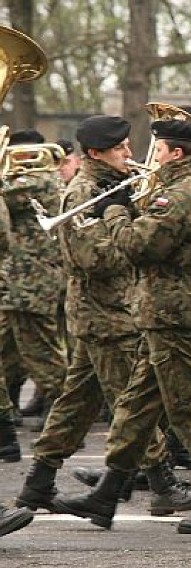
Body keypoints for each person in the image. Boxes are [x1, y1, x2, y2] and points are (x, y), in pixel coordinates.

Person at [16, 115, 191, 515]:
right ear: (96, 153)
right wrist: (131, 232)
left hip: (113, 311)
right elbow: (92, 258)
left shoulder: (110, 186)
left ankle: (37, 484)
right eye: (120, 148)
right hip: (105, 315)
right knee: (134, 404)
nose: (129, 153)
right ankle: (161, 483)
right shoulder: (84, 192)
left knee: (76, 405)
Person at [51, 119, 191, 532]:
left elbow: (137, 247)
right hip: (171, 309)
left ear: (176, 153)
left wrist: (115, 211)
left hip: (173, 310)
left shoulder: (184, 192)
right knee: (135, 408)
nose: (147, 158)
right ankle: (107, 493)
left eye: (159, 150)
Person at [0, 129, 67, 434]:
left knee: (41, 352)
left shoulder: (39, 179)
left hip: (32, 282)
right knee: (10, 352)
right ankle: (9, 409)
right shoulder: (29, 179)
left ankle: (65, 419)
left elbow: (7, 195)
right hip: (18, 280)